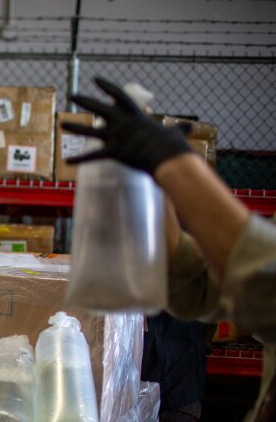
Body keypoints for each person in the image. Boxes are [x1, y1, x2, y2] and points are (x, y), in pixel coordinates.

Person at [64, 76, 275, 422]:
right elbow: (197, 282)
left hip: (178, 381)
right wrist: (149, 179)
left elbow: (264, 279)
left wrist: (176, 164)